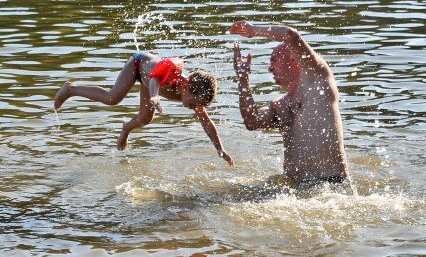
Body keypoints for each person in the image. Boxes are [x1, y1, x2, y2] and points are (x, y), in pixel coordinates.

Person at [54, 52, 234, 166]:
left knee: (146, 118)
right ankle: (70, 89)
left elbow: (206, 122)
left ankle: (125, 130)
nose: (193, 108)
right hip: (138, 65)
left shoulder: (193, 93)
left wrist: (220, 148)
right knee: (113, 98)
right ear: (185, 87)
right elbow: (155, 79)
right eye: (193, 104)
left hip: (148, 81)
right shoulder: (174, 76)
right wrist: (154, 95)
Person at [229, 20, 350, 188]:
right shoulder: (279, 105)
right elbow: (252, 121)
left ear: (294, 59)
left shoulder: (318, 79)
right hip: (295, 189)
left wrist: (252, 30)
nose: (269, 69)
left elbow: (289, 35)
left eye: (274, 60)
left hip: (332, 185)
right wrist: (243, 79)